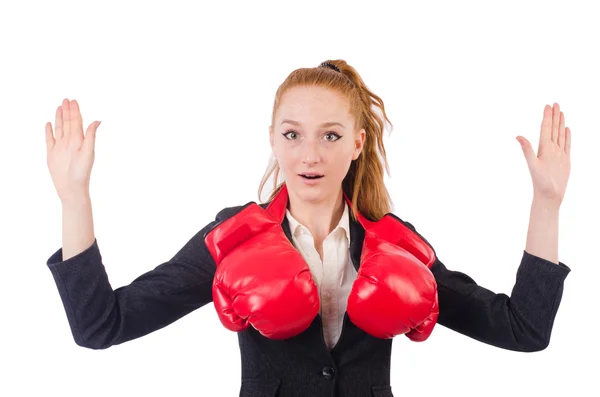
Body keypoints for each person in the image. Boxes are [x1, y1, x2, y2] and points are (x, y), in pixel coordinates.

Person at [44, 60, 572, 397]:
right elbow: (100, 326)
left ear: (358, 144)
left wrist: (546, 206)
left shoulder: (392, 242)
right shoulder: (234, 238)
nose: (310, 155)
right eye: (293, 134)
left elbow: (522, 330)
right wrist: (75, 200)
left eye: (331, 135)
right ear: (272, 139)